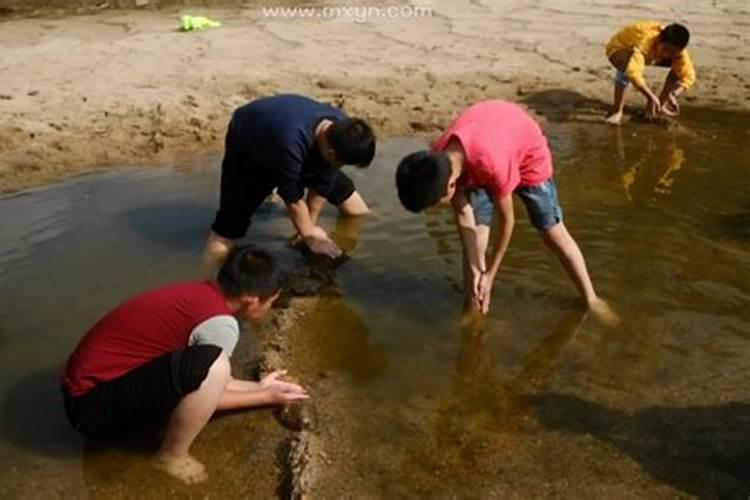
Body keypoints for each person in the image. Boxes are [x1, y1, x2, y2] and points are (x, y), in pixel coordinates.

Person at [61, 245, 309, 484]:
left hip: (83, 391)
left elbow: (210, 382)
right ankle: (171, 456)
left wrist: (259, 386)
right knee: (215, 364)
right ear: (251, 300)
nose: (270, 308)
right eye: (270, 302)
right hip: (91, 411)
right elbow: (210, 387)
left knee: (211, 366)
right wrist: (265, 398)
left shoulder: (200, 293)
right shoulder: (221, 324)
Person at [395, 100, 617, 324]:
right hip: (489, 145)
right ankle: (473, 306)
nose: (434, 210)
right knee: (478, 237)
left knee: (552, 232)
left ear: (451, 186)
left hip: (526, 155)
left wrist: (490, 274)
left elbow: (507, 221)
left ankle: (591, 298)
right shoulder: (436, 161)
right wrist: (475, 270)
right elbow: (464, 215)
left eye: (435, 204)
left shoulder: (490, 164)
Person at [203, 94, 376, 268]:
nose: (342, 166)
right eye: (343, 163)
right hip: (251, 141)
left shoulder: (342, 130)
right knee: (226, 231)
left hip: (297, 140)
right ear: (331, 154)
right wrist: (309, 236)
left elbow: (321, 187)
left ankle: (291, 218)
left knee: (357, 210)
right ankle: (208, 280)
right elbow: (293, 199)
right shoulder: (290, 143)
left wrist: (310, 227)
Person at [605, 22, 696, 125]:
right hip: (620, 49)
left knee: (679, 68)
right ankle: (617, 110)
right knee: (627, 66)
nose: (666, 55)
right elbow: (633, 72)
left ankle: (660, 105)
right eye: (665, 49)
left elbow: (689, 76)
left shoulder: (678, 52)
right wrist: (650, 96)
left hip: (651, 54)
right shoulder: (646, 40)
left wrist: (674, 94)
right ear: (659, 40)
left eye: (672, 53)